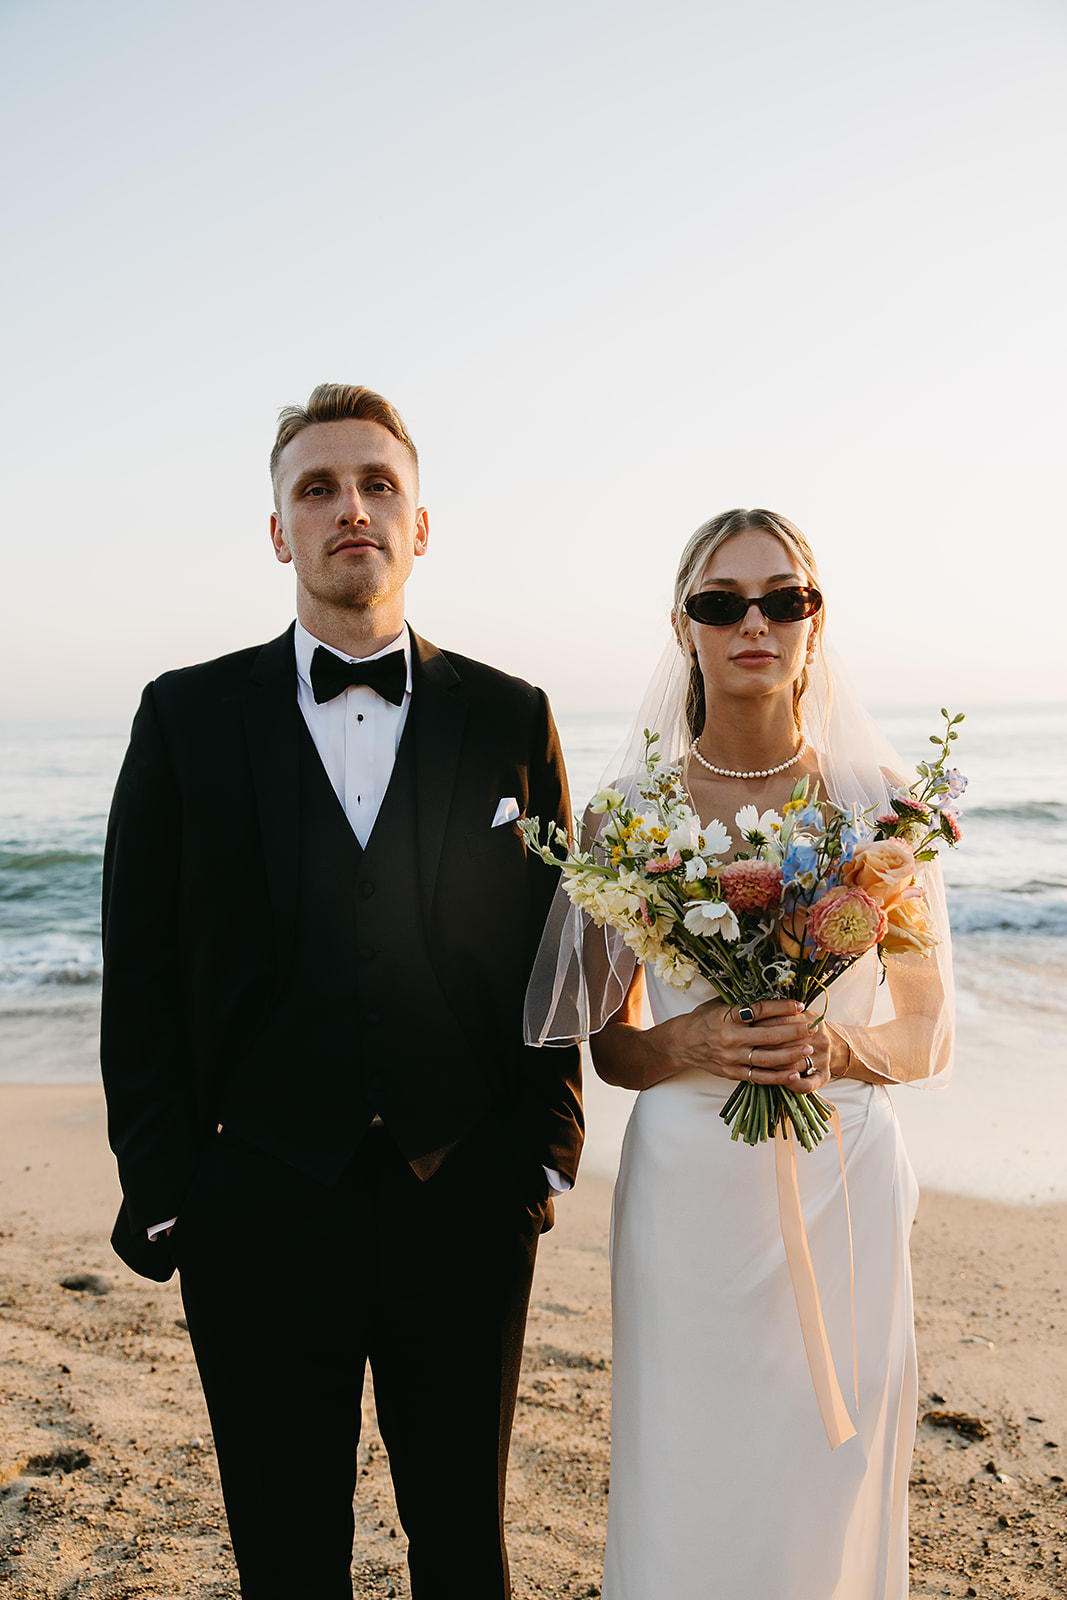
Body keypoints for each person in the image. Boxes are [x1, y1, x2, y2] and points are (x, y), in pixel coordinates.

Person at [100, 383, 583, 1600]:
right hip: (255, 1204)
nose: (349, 507)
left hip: (463, 1196)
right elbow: (140, 962)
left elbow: (554, 949)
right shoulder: (184, 716)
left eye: (377, 485)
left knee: (465, 1551)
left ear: (421, 526)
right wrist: (165, 1183)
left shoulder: (510, 715)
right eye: (316, 487)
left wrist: (544, 1154)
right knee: (286, 1556)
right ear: (278, 532)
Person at [526, 508, 954, 1600]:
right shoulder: (630, 817)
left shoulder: (878, 810)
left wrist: (833, 1040)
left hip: (840, 1180)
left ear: (816, 621)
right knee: (689, 1473)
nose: (752, 622)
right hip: (688, 1188)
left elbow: (925, 1031)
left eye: (782, 599)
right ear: (684, 629)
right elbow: (604, 1046)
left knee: (834, 1466)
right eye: (721, 602)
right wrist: (686, 1037)